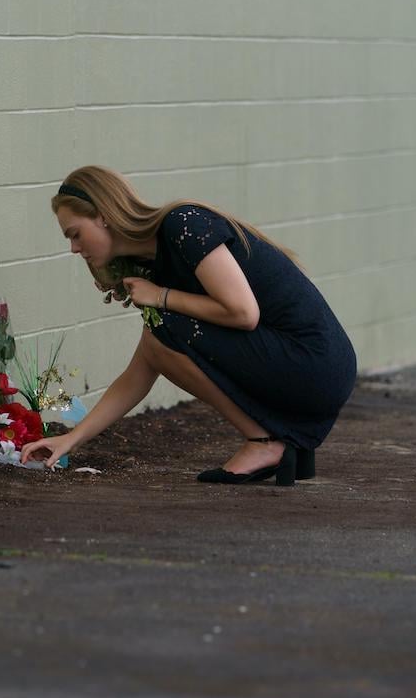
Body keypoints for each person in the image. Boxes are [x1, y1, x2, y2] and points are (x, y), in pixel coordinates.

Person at [19, 165, 357, 485]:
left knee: (163, 329)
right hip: (304, 364)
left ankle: (264, 442)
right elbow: (142, 370)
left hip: (316, 364)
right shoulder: (157, 261)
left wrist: (161, 296)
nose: (74, 248)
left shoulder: (183, 225)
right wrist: (72, 438)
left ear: (103, 216)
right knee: (159, 336)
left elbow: (243, 312)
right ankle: (273, 442)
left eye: (75, 234)